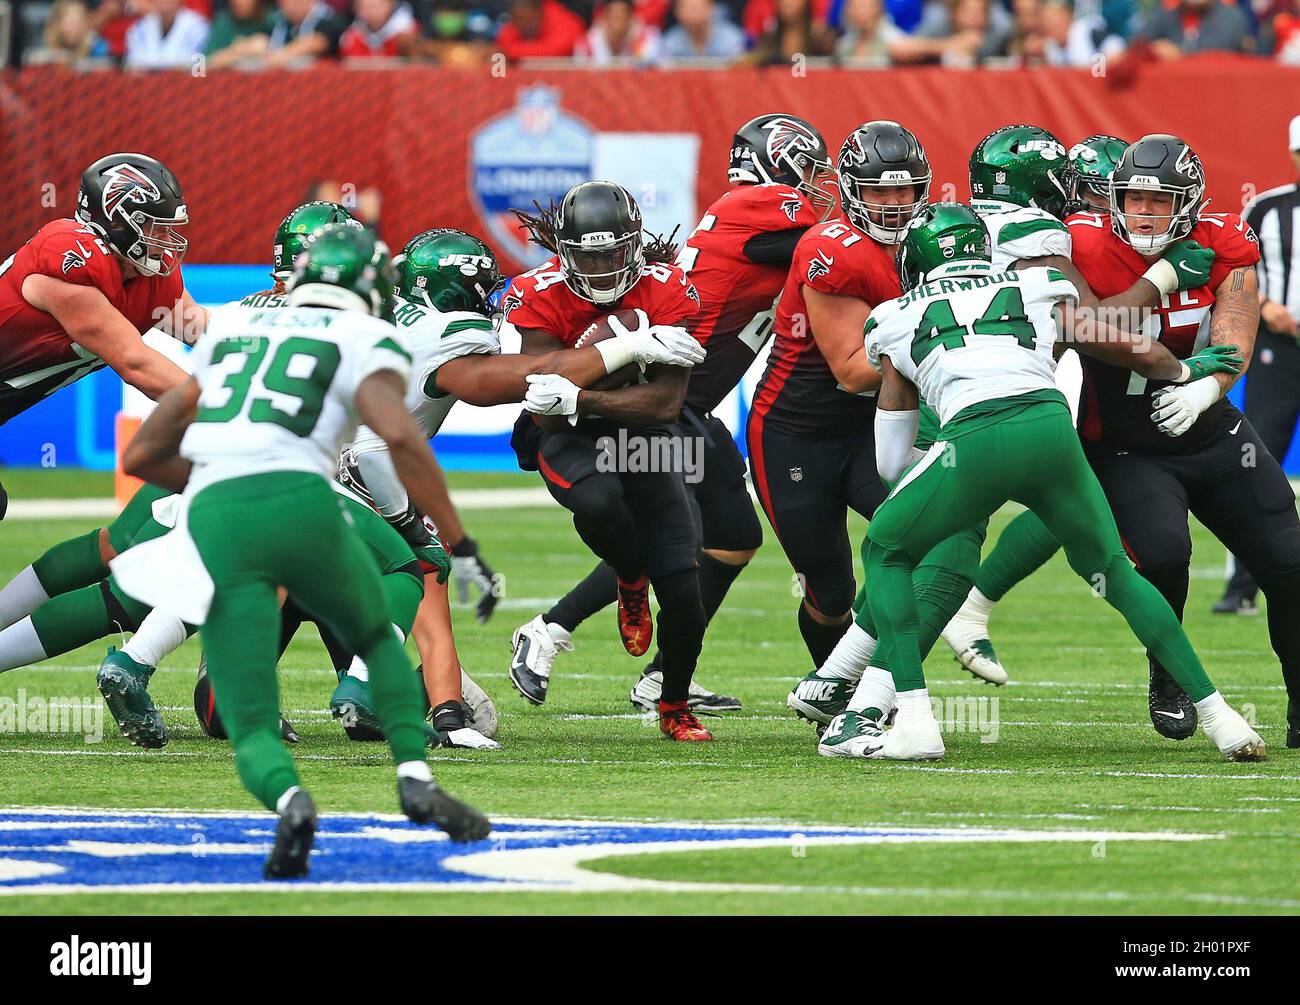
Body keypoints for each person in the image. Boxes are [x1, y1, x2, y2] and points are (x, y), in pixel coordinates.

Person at [819, 202, 1265, 763]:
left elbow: (889, 458)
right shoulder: (1037, 285)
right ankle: (1223, 719)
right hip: (1053, 431)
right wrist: (1186, 372)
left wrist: (931, 484)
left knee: (885, 548)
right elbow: (1122, 342)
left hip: (973, 438)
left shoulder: (892, 316)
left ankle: (909, 719)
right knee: (1116, 574)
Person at [114, 225, 492, 877]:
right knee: (378, 630)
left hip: (217, 512)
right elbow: (397, 437)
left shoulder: (233, 333)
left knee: (253, 719)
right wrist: (458, 541)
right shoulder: (363, 334)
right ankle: (413, 776)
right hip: (304, 500)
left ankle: (289, 801)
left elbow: (143, 454)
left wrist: (219, 485)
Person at [509, 113, 835, 712]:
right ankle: (551, 633)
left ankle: (659, 674)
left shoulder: (758, 221)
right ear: (779, 165)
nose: (819, 185)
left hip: (684, 403)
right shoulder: (756, 205)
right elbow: (837, 247)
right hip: (657, 404)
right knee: (675, 545)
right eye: (809, 169)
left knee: (734, 538)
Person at [500, 181, 718, 741]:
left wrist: (584, 394)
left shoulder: (670, 290)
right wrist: (618, 355)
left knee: (685, 589)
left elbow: (664, 405)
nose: (601, 268)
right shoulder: (537, 293)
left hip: (642, 433)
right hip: (568, 437)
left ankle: (673, 705)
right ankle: (627, 573)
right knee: (597, 501)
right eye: (588, 255)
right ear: (563, 253)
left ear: (636, 245)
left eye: (613, 252)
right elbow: (546, 409)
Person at [747, 120, 925, 674]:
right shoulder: (832, 248)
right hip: (796, 435)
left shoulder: (935, 243)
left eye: (904, 189)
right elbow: (851, 371)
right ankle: (835, 687)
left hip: (871, 431)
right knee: (830, 592)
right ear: (852, 190)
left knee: (927, 535)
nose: (894, 204)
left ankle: (873, 681)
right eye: (879, 190)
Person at [0, 152, 207, 520]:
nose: (166, 239)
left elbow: (207, 333)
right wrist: (236, 412)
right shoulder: (70, 262)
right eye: (155, 228)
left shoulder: (147, 279)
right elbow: (137, 364)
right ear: (119, 222)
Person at [1215, 115, 1300, 615]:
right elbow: (1237, 272)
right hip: (1279, 349)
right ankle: (1241, 585)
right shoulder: (1266, 208)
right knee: (1259, 457)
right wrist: (1267, 308)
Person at [1138, 0, 1251, 57]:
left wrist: (1179, 54)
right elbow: (1138, 43)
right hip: (1172, 90)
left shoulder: (1232, 16)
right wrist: (1151, 49)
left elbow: (1215, 51)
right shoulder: (1168, 13)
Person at [124, 0, 211, 68]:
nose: (165, 2)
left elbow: (197, 66)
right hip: (145, 85)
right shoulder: (140, 27)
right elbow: (132, 64)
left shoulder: (197, 26)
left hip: (185, 85)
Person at [496, 0, 588, 59]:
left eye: (527, 19)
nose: (523, 25)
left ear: (539, 12)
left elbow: (558, 50)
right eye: (518, 21)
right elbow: (502, 42)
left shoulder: (564, 21)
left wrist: (509, 52)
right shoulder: (515, 23)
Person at [660, 0, 747, 60]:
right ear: (677, 12)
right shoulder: (669, 42)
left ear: (710, 8)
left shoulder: (733, 39)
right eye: (687, 9)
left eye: (696, 9)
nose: (692, 15)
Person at [338, 0, 420, 57]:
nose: (369, 12)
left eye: (373, 6)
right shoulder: (351, 37)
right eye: (362, 7)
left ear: (390, 3)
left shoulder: (407, 31)